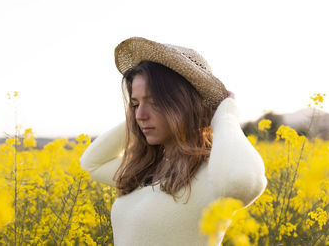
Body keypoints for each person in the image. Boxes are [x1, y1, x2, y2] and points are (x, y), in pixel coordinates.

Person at [80, 37, 267, 246]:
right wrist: (137, 118)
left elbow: (240, 181)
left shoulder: (213, 175)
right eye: (135, 104)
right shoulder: (145, 170)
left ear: (184, 104)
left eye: (154, 102)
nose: (140, 115)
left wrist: (225, 115)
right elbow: (91, 164)